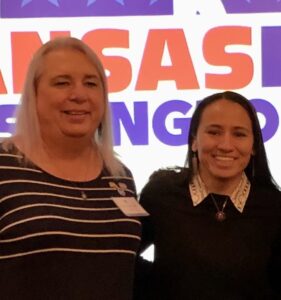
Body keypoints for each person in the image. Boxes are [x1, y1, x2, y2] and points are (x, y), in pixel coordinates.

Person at [0, 36, 142, 300]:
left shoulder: (120, 176)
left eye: (91, 83)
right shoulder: (4, 165)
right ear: (34, 93)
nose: (79, 95)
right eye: (62, 82)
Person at [134, 91, 281, 299]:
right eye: (214, 132)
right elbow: (124, 260)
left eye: (239, 134)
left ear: (254, 146)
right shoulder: (160, 195)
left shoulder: (273, 207)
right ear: (194, 141)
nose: (225, 145)